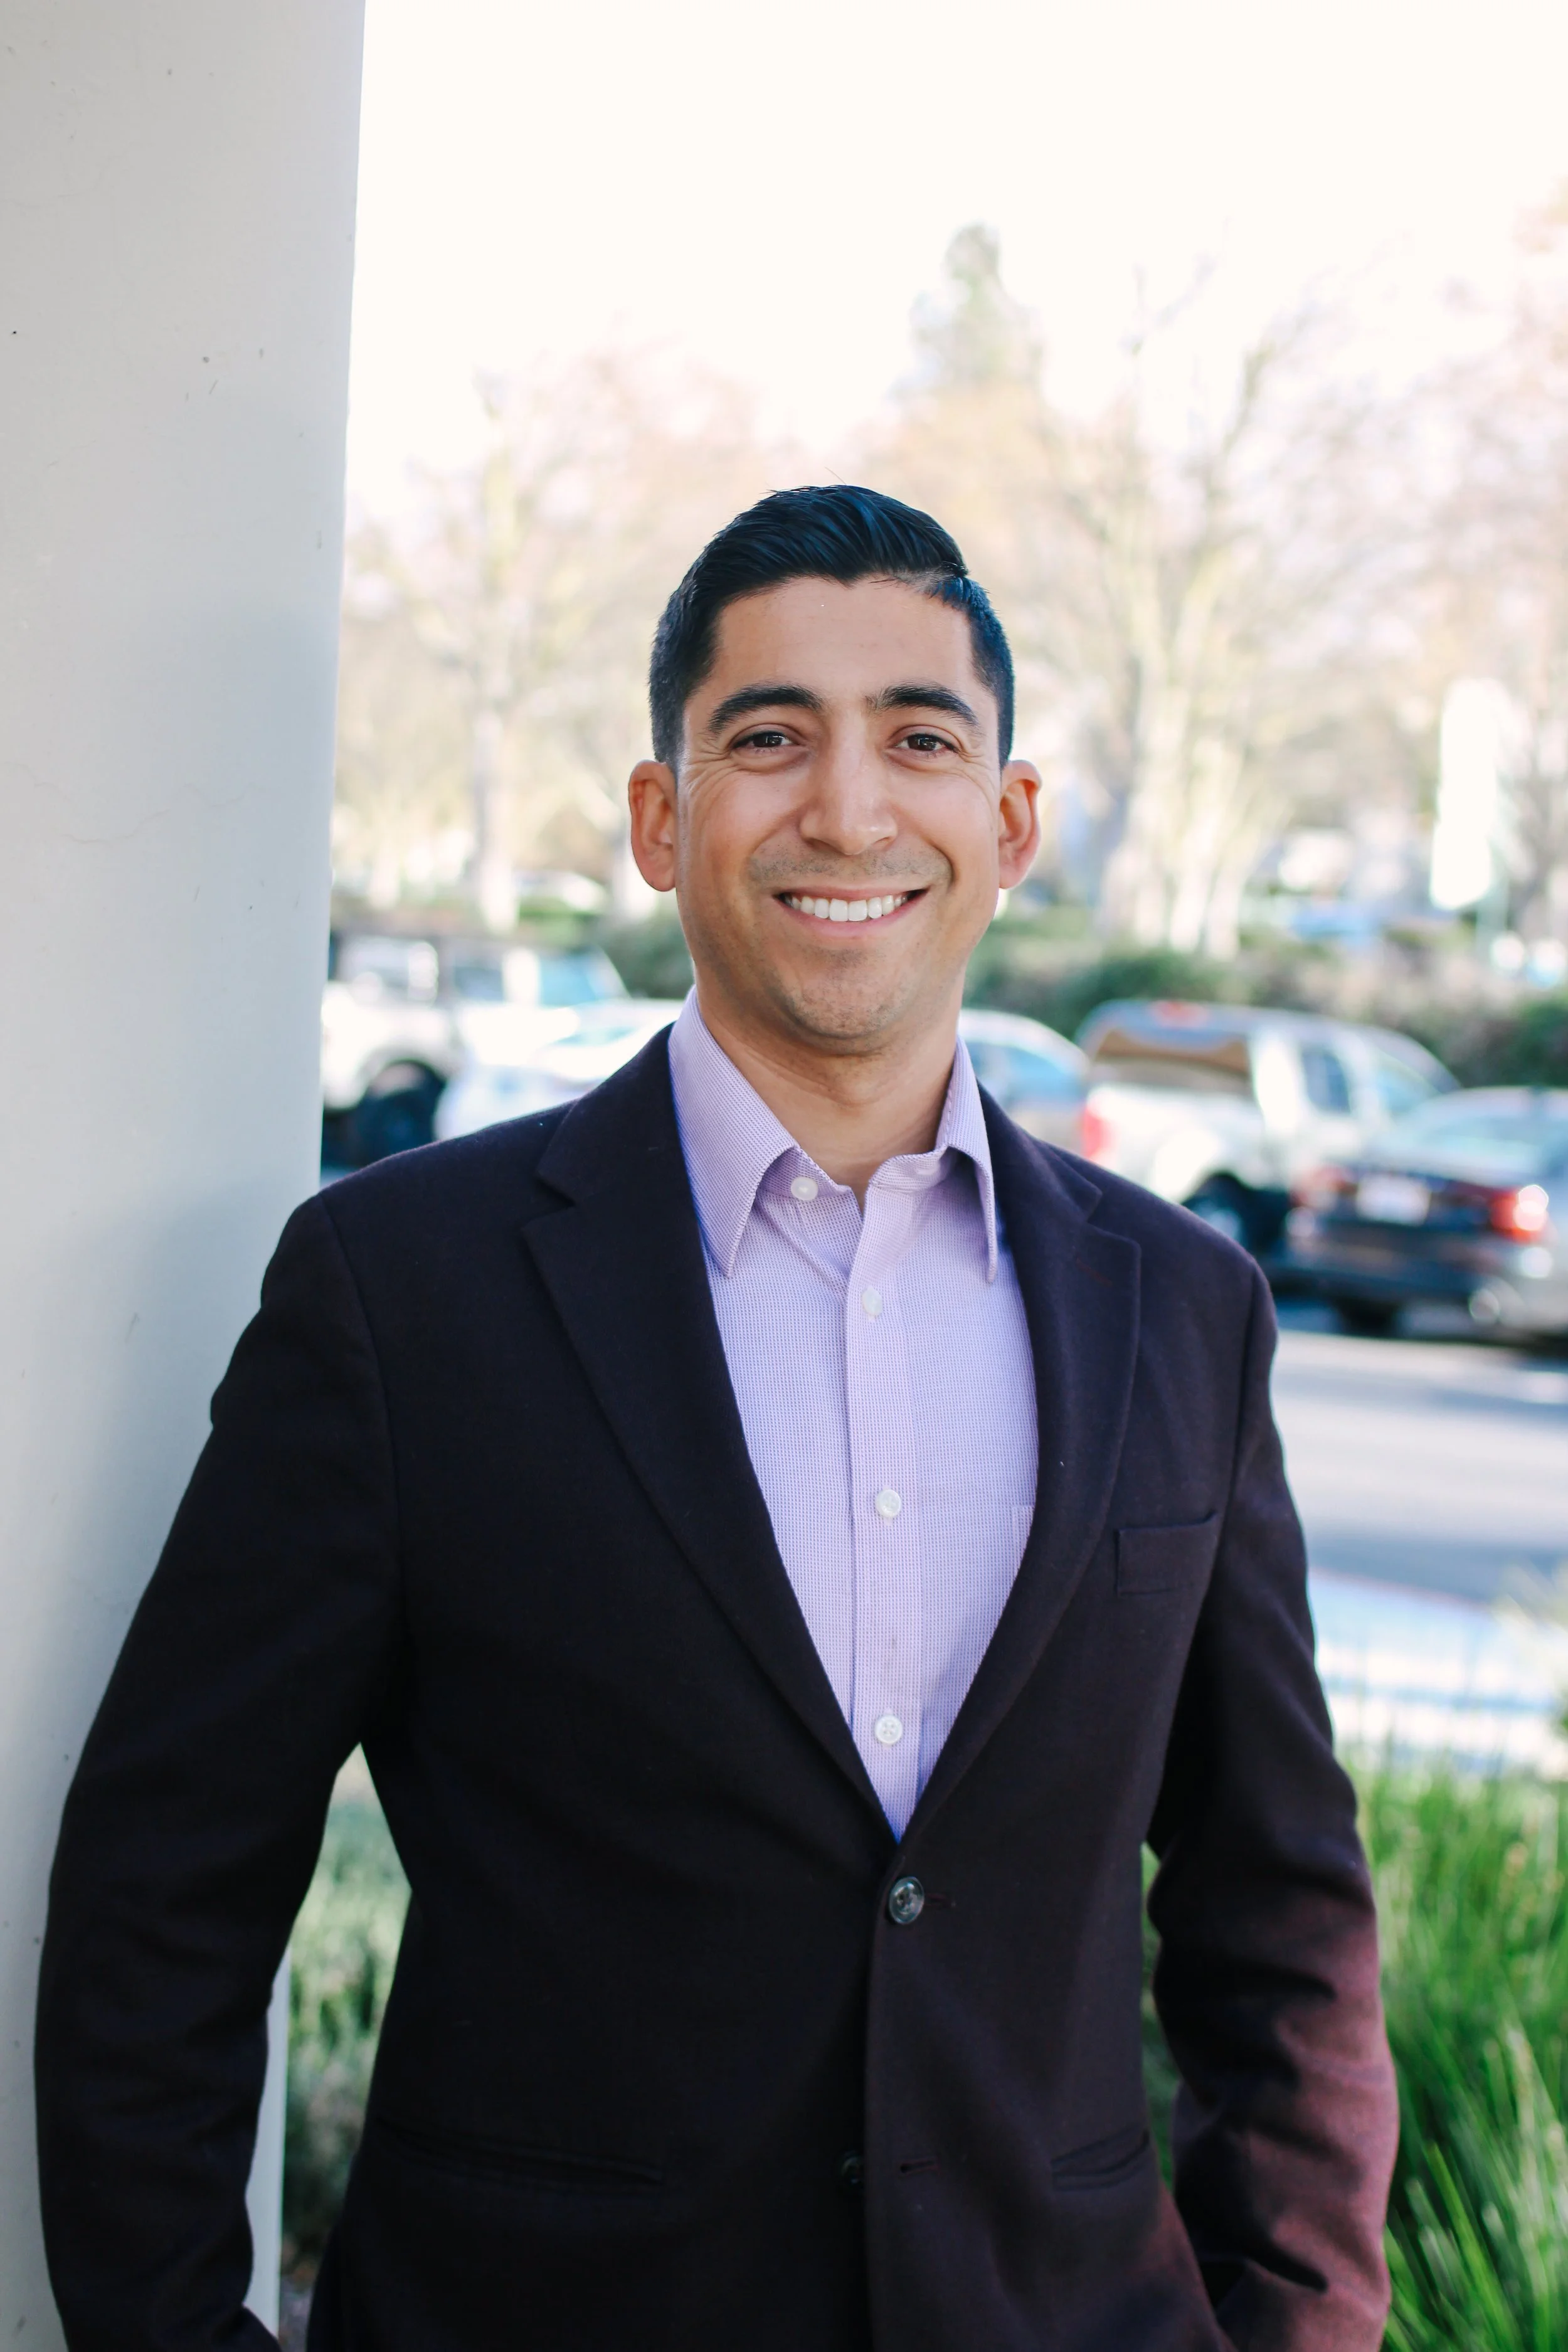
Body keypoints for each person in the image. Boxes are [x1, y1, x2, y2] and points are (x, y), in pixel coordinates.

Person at [36, 485, 1397, 2352]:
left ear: (1009, 822)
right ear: (659, 819)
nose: (847, 808)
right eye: (767, 738)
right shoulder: (401, 1292)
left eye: (919, 737)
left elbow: (1282, 1924)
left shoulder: (1185, 1308)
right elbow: (164, 1896)